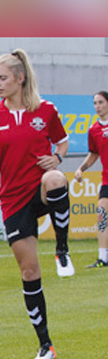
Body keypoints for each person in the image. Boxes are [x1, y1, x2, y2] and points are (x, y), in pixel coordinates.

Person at [0, 49, 71, 359]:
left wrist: (58, 157)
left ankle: (62, 250)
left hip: (39, 188)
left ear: (20, 78)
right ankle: (45, 346)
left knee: (55, 178)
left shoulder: (45, 110)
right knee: (29, 271)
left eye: (3, 78)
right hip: (12, 199)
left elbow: (62, 141)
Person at [74, 90, 108, 268]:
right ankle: (103, 258)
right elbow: (94, 154)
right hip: (107, 180)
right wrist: (81, 168)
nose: (98, 107)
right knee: (102, 216)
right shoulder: (94, 130)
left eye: (101, 102)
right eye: (95, 103)